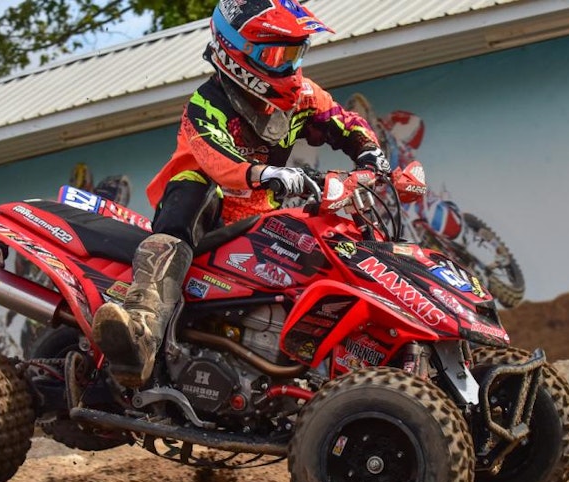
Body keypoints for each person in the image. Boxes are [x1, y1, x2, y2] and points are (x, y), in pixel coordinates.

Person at [91, 0, 388, 387]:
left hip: (260, 212)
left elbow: (341, 121)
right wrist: (269, 173)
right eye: (277, 56)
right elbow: (218, 159)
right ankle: (141, 329)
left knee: (320, 231)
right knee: (195, 192)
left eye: (295, 54)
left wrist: (371, 153)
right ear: (236, 53)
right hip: (202, 208)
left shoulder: (302, 95)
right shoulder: (206, 103)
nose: (289, 67)